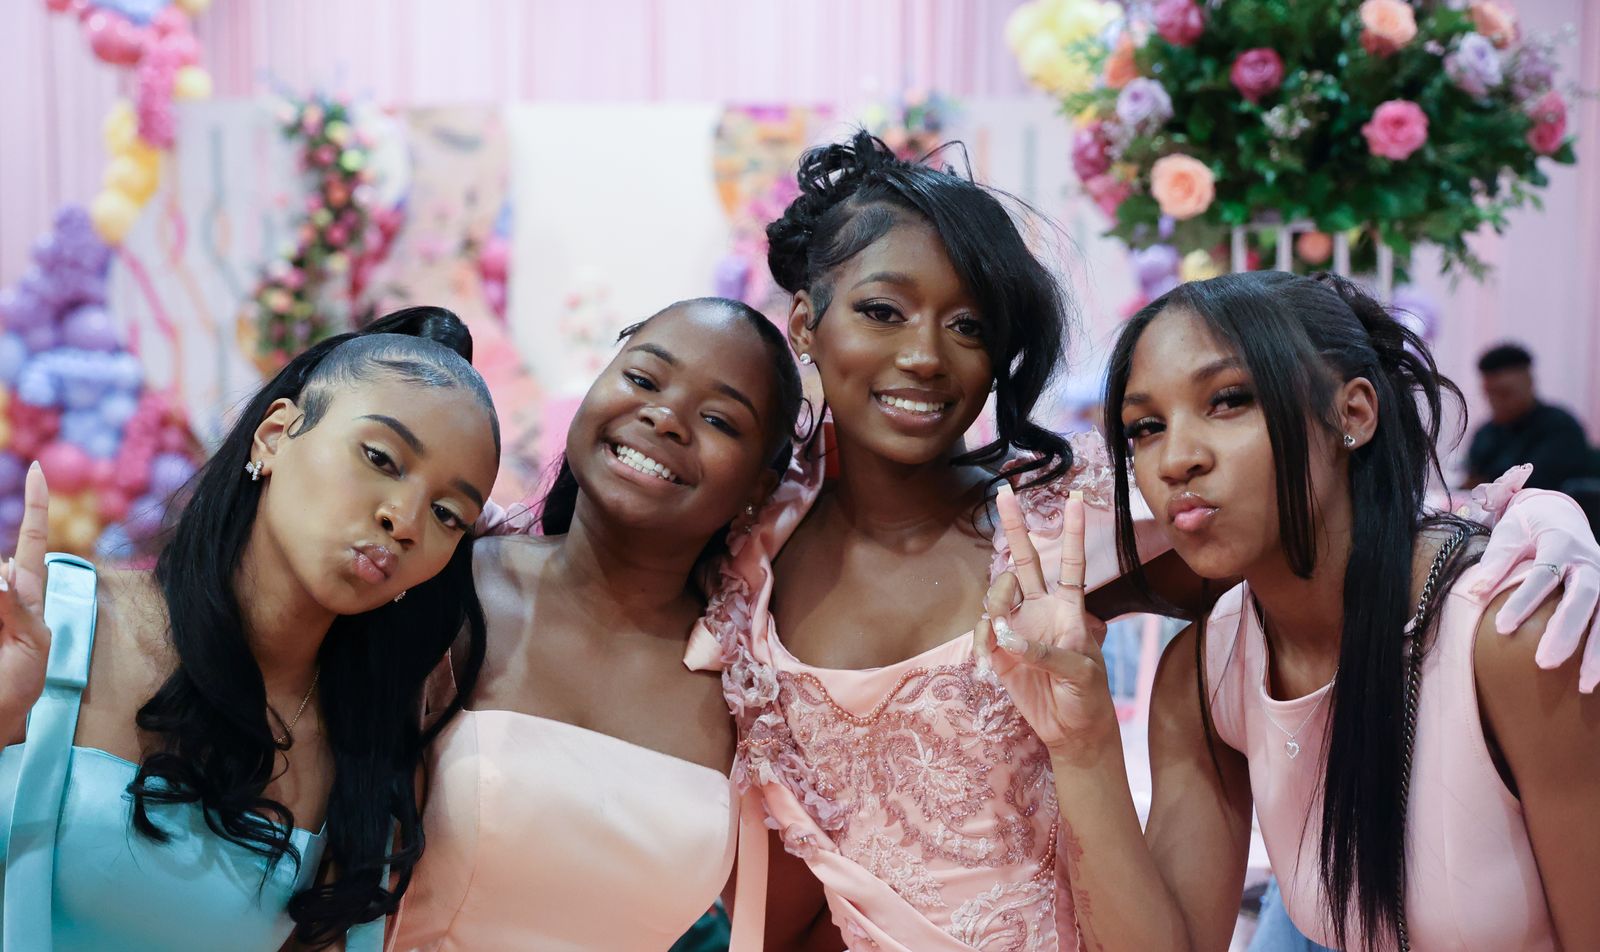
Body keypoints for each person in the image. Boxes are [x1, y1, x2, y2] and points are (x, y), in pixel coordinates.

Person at [710, 135, 1600, 952]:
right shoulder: (747, 554)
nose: (925, 356)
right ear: (804, 323)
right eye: (1145, 427)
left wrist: (1535, 520)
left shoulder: (1065, 525)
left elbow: (1344, 537)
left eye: (971, 325)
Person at [983, 272, 1600, 950]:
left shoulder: (1514, 636)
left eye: (1228, 400)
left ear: (1352, 414)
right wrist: (1082, 746)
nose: (1176, 460)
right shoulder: (1203, 674)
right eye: (1147, 427)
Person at [0, 308, 501, 951]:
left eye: (447, 514)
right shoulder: (60, 626)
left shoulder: (365, 761)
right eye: (379, 457)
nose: (403, 520)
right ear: (274, 436)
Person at [389, 297, 803, 951]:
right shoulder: (443, 582)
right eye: (642, 378)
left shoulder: (753, 691)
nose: (665, 417)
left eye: (719, 419)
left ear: (759, 488)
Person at [1465, 343, 1591, 490]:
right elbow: (1471, 479)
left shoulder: (1560, 428)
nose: (1496, 402)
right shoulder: (1485, 433)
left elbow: (1537, 483)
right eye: (1489, 394)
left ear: (1529, 382)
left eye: (1504, 393)